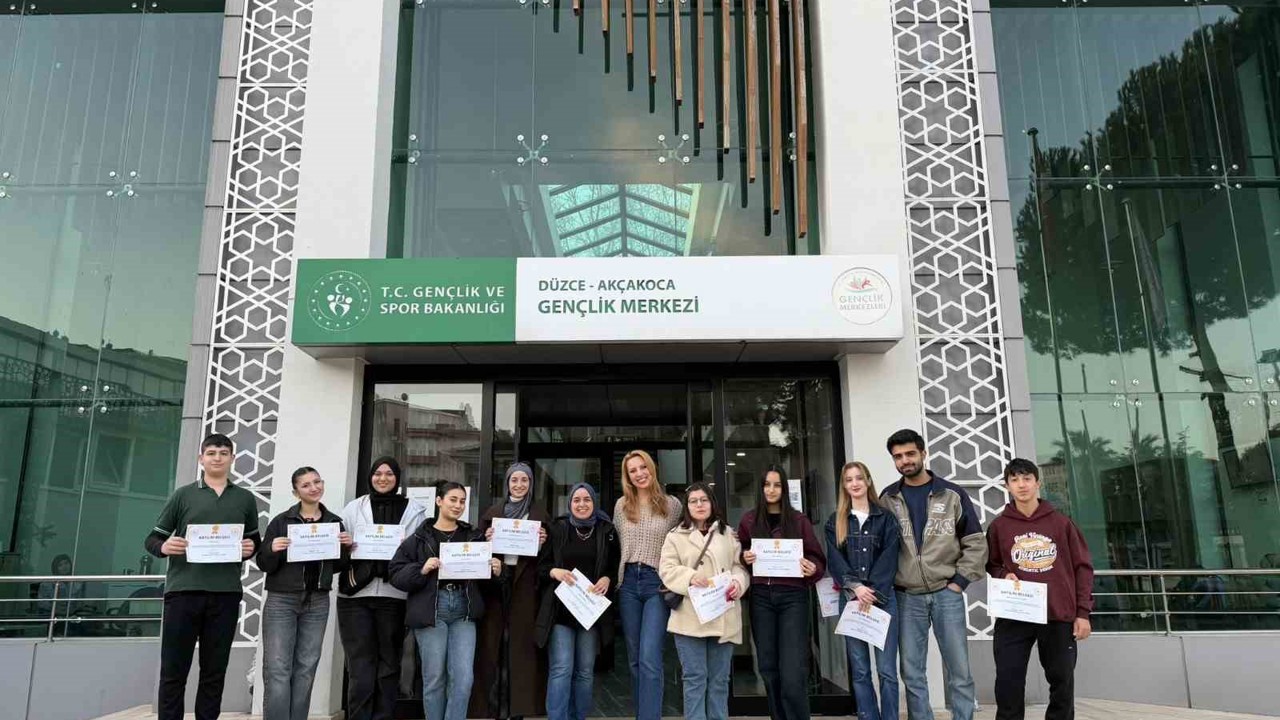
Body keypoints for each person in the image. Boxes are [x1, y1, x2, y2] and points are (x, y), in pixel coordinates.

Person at [144, 433, 261, 720]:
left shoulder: (245, 498)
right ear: (201, 459)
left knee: (214, 670)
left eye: (223, 452)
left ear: (233, 458)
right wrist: (164, 547)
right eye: (211, 453)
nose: (217, 458)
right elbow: (152, 539)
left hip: (225, 594)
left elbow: (253, 541)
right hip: (183, 591)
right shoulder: (183, 495)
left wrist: (250, 548)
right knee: (174, 670)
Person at [878, 428, 986, 720]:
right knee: (912, 671)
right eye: (898, 456)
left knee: (959, 669)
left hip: (945, 592)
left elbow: (975, 542)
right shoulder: (888, 498)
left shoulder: (952, 494)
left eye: (910, 453)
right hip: (905, 596)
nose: (905, 461)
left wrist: (960, 581)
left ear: (923, 454)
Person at [985, 458, 1093, 720]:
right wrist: (1003, 573)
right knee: (1008, 682)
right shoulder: (999, 526)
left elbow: (1083, 568)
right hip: (1015, 614)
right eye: (1014, 480)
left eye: (1026, 479)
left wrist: (1083, 613)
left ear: (1037, 483)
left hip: (1057, 614)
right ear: (1007, 486)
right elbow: (991, 563)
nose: (1021, 485)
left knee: (1062, 683)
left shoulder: (1061, 524)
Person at [390, 481, 503, 720]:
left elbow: (488, 584)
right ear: (439, 501)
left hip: (464, 609)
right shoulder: (419, 538)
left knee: (463, 679)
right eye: (453, 499)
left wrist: (495, 569)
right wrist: (421, 569)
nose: (458, 505)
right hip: (433, 609)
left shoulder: (473, 536)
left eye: (462, 501)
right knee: (434, 679)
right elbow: (396, 573)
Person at [256, 466, 353, 720]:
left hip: (318, 600)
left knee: (306, 668)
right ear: (296, 491)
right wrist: (272, 549)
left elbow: (338, 567)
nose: (314, 488)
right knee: (278, 668)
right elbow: (264, 565)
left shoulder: (333, 522)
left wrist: (346, 548)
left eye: (317, 482)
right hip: (282, 599)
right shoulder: (281, 521)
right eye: (306, 485)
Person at [337, 456, 429, 720]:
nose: (383, 478)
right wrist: (344, 543)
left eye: (389, 474)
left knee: (389, 664)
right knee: (360, 665)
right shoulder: (354, 509)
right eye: (378, 473)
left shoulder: (415, 511)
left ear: (397, 478)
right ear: (370, 477)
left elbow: (418, 552)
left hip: (395, 597)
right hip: (355, 597)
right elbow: (337, 550)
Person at [736, 464, 826, 720]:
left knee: (793, 672)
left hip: (792, 598)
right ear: (761, 488)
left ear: (784, 489)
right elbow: (739, 557)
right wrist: (745, 557)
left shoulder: (799, 521)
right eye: (767, 484)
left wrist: (813, 568)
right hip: (761, 598)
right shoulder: (749, 520)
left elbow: (817, 558)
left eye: (777, 485)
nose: (771, 490)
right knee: (768, 668)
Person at [658, 482, 751, 720]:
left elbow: (739, 567)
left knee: (720, 681)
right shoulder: (675, 536)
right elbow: (666, 570)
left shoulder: (728, 534)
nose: (699, 505)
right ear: (687, 507)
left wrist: (738, 585)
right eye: (693, 501)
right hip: (690, 617)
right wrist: (690, 577)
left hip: (723, 613)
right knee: (695, 679)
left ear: (712, 503)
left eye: (704, 500)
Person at [535, 482, 620, 720]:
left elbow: (614, 567)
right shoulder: (558, 529)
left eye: (587, 500)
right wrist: (556, 572)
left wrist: (607, 578)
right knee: (561, 669)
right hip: (561, 611)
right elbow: (541, 568)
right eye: (576, 500)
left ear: (594, 503)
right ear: (570, 503)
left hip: (589, 614)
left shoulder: (606, 530)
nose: (582, 504)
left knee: (584, 672)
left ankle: (578, 717)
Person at [472, 461, 550, 720]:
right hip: (496, 587)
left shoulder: (540, 515)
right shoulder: (491, 514)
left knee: (520, 651)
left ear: (531, 485)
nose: (519, 485)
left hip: (525, 589)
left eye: (524, 481)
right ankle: (492, 709)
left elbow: (548, 561)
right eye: (514, 480)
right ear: (507, 484)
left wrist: (542, 544)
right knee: (493, 648)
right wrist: (486, 541)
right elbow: (476, 555)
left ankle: (518, 711)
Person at [824, 461, 901, 720]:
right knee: (859, 670)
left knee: (888, 670)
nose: (855, 483)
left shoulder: (885, 518)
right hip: (851, 602)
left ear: (868, 481)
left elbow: (890, 557)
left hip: (883, 601)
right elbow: (835, 559)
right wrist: (856, 587)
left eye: (859, 478)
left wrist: (873, 591)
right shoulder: (835, 521)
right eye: (849, 479)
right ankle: (869, 716)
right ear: (844, 486)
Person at [613, 449, 682, 720]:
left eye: (643, 467)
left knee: (650, 658)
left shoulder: (672, 505)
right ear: (627, 476)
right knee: (634, 659)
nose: (639, 473)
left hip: (657, 583)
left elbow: (686, 539)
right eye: (633, 470)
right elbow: (610, 541)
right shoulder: (621, 506)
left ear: (651, 469)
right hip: (628, 583)